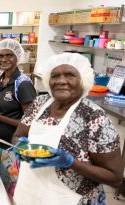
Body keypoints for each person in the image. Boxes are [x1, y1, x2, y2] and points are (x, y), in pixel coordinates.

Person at [12, 53, 123, 205]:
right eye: (55, 76)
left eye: (70, 75)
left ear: (83, 80)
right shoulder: (39, 103)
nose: (61, 81)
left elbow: (115, 178)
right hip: (32, 190)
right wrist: (20, 146)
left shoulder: (94, 117)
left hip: (71, 198)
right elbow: (18, 135)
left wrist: (70, 162)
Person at [0, 39, 36, 197]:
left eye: (9, 55)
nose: (4, 59)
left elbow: (30, 123)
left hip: (8, 148)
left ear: (17, 57)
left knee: (8, 191)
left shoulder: (23, 84)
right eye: (1, 55)